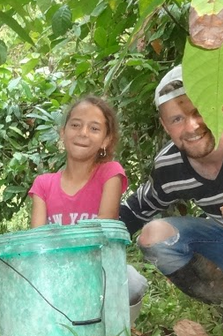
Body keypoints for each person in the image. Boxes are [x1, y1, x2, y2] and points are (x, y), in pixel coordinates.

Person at [120, 66, 223, 326]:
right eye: (177, 119)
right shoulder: (169, 166)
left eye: (200, 111)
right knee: (154, 235)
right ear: (165, 126)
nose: (192, 126)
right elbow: (132, 212)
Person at [29, 96, 148, 314]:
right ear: (62, 132)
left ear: (105, 140)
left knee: (132, 281)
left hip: (98, 270)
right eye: (75, 125)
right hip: (55, 272)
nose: (83, 132)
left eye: (94, 128)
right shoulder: (43, 184)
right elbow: (38, 242)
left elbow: (104, 232)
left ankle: (114, 323)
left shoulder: (110, 173)